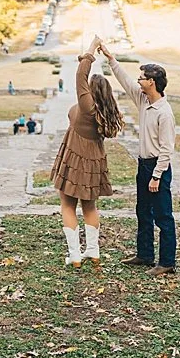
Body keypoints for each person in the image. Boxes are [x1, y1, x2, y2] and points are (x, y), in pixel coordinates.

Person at [101, 38, 178, 277]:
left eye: (142, 77)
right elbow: (124, 80)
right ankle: (145, 254)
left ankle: (167, 262)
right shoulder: (144, 101)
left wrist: (156, 176)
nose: (138, 80)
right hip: (143, 165)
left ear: (152, 82)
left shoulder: (164, 113)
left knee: (163, 216)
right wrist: (110, 58)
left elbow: (167, 149)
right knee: (142, 211)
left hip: (158, 169)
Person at [48, 41, 123, 268]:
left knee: (68, 205)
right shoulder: (104, 111)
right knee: (89, 206)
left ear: (90, 90)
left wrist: (92, 48)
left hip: (74, 157)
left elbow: (81, 73)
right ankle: (93, 251)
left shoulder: (86, 104)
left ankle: (75, 254)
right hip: (93, 160)